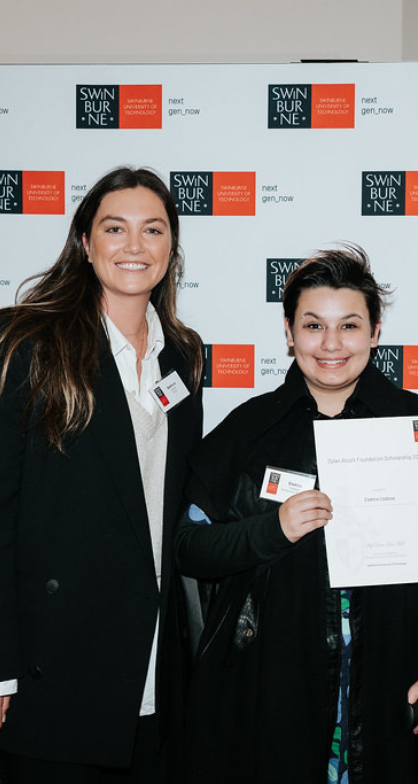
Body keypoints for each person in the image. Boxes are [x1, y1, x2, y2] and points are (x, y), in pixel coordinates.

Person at [175, 246, 418, 784]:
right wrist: (271, 530)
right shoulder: (248, 432)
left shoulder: (416, 427)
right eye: (313, 325)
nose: (330, 344)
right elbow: (189, 547)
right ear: (289, 332)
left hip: (394, 677)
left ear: (375, 332)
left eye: (349, 325)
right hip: (272, 686)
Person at [0, 167, 204, 783]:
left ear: (171, 248)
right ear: (86, 243)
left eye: (153, 230)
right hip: (53, 661)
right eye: (115, 229)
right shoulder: (28, 343)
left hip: (154, 661)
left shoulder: (183, 354)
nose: (135, 246)